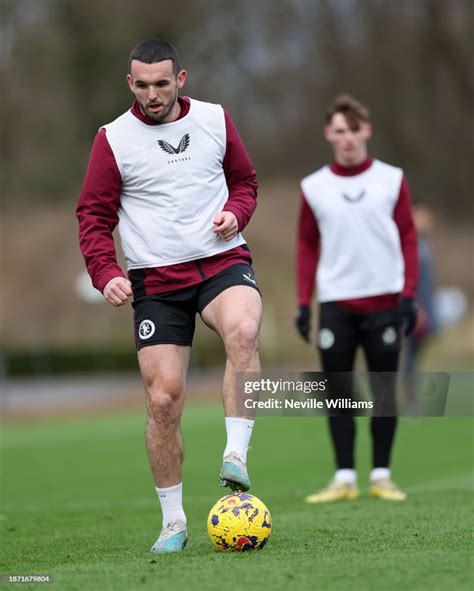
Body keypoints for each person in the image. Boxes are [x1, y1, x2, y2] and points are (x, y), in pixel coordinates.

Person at [76, 39, 261, 552]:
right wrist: (105, 271)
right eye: (142, 84)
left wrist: (236, 215)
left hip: (221, 261)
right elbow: (92, 216)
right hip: (156, 281)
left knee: (244, 330)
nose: (152, 94)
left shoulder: (215, 120)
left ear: (181, 80)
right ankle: (174, 522)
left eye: (162, 83)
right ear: (129, 83)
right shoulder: (112, 139)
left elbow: (245, 182)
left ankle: (236, 456)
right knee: (163, 400)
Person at [295, 94, 419, 503]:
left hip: (384, 302)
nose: (347, 138)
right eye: (339, 131)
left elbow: (407, 236)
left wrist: (409, 293)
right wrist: (302, 302)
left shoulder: (391, 179)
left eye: (353, 130)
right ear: (328, 134)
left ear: (367, 130)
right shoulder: (314, 187)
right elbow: (307, 245)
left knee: (384, 391)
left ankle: (382, 475)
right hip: (336, 305)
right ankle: (344, 476)